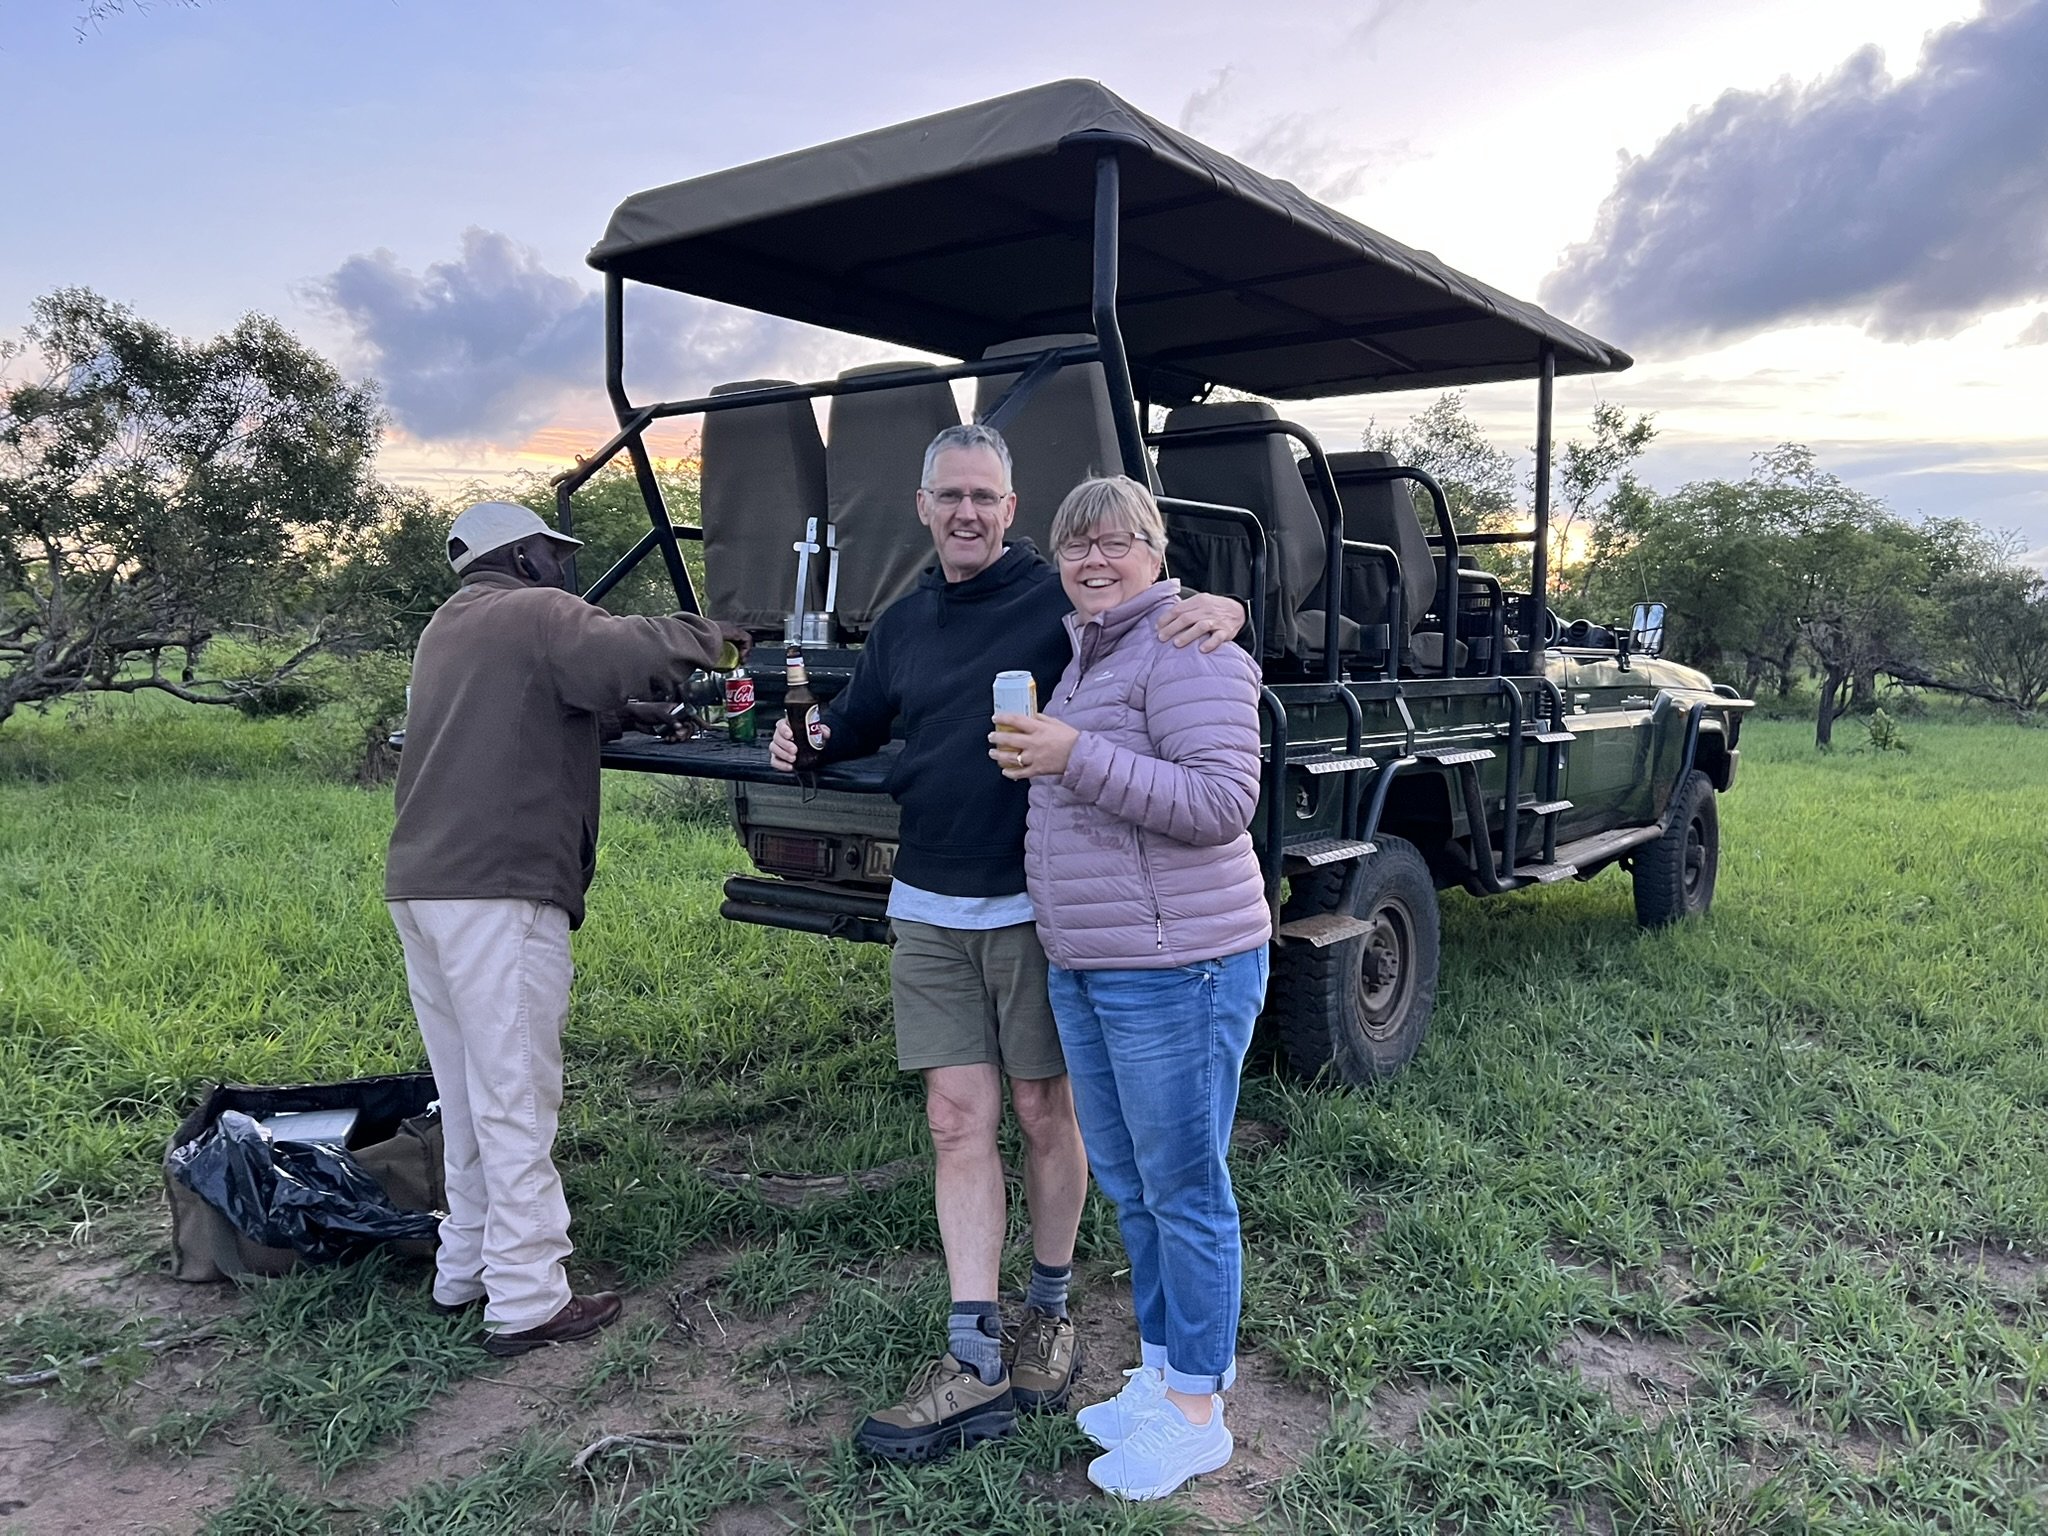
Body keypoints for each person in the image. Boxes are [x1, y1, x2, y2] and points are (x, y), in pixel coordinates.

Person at [768, 423, 1244, 1462]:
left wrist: (1219, 605)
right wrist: (801, 738)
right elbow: (854, 719)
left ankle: (1052, 1309)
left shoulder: (1057, 602)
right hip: (929, 901)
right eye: (951, 497)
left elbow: (1143, 609)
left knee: (1044, 1110)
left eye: (986, 496)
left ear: (1011, 509)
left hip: (1038, 904)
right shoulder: (902, 622)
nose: (968, 513)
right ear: (924, 505)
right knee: (952, 1119)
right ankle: (972, 1340)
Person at [386, 501, 747, 1358]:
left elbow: (533, 707)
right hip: (498, 892)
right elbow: (624, 648)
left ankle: (464, 1267)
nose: (568, 569)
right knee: (517, 1095)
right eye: (558, 554)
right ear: (526, 558)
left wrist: (624, 718)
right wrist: (719, 635)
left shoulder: (454, 625)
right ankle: (527, 1299)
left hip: (425, 889)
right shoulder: (535, 612)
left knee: (471, 1093)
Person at [991, 475, 1270, 1501]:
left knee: (1185, 1189)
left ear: (1157, 554)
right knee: (1135, 1187)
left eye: (1117, 542)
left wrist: (1077, 756)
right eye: (1075, 545)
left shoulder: (1191, 648)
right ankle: (1163, 1375)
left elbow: (1220, 801)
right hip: (1095, 965)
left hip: (1179, 967)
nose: (1094, 559)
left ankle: (1197, 1412)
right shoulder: (1086, 657)